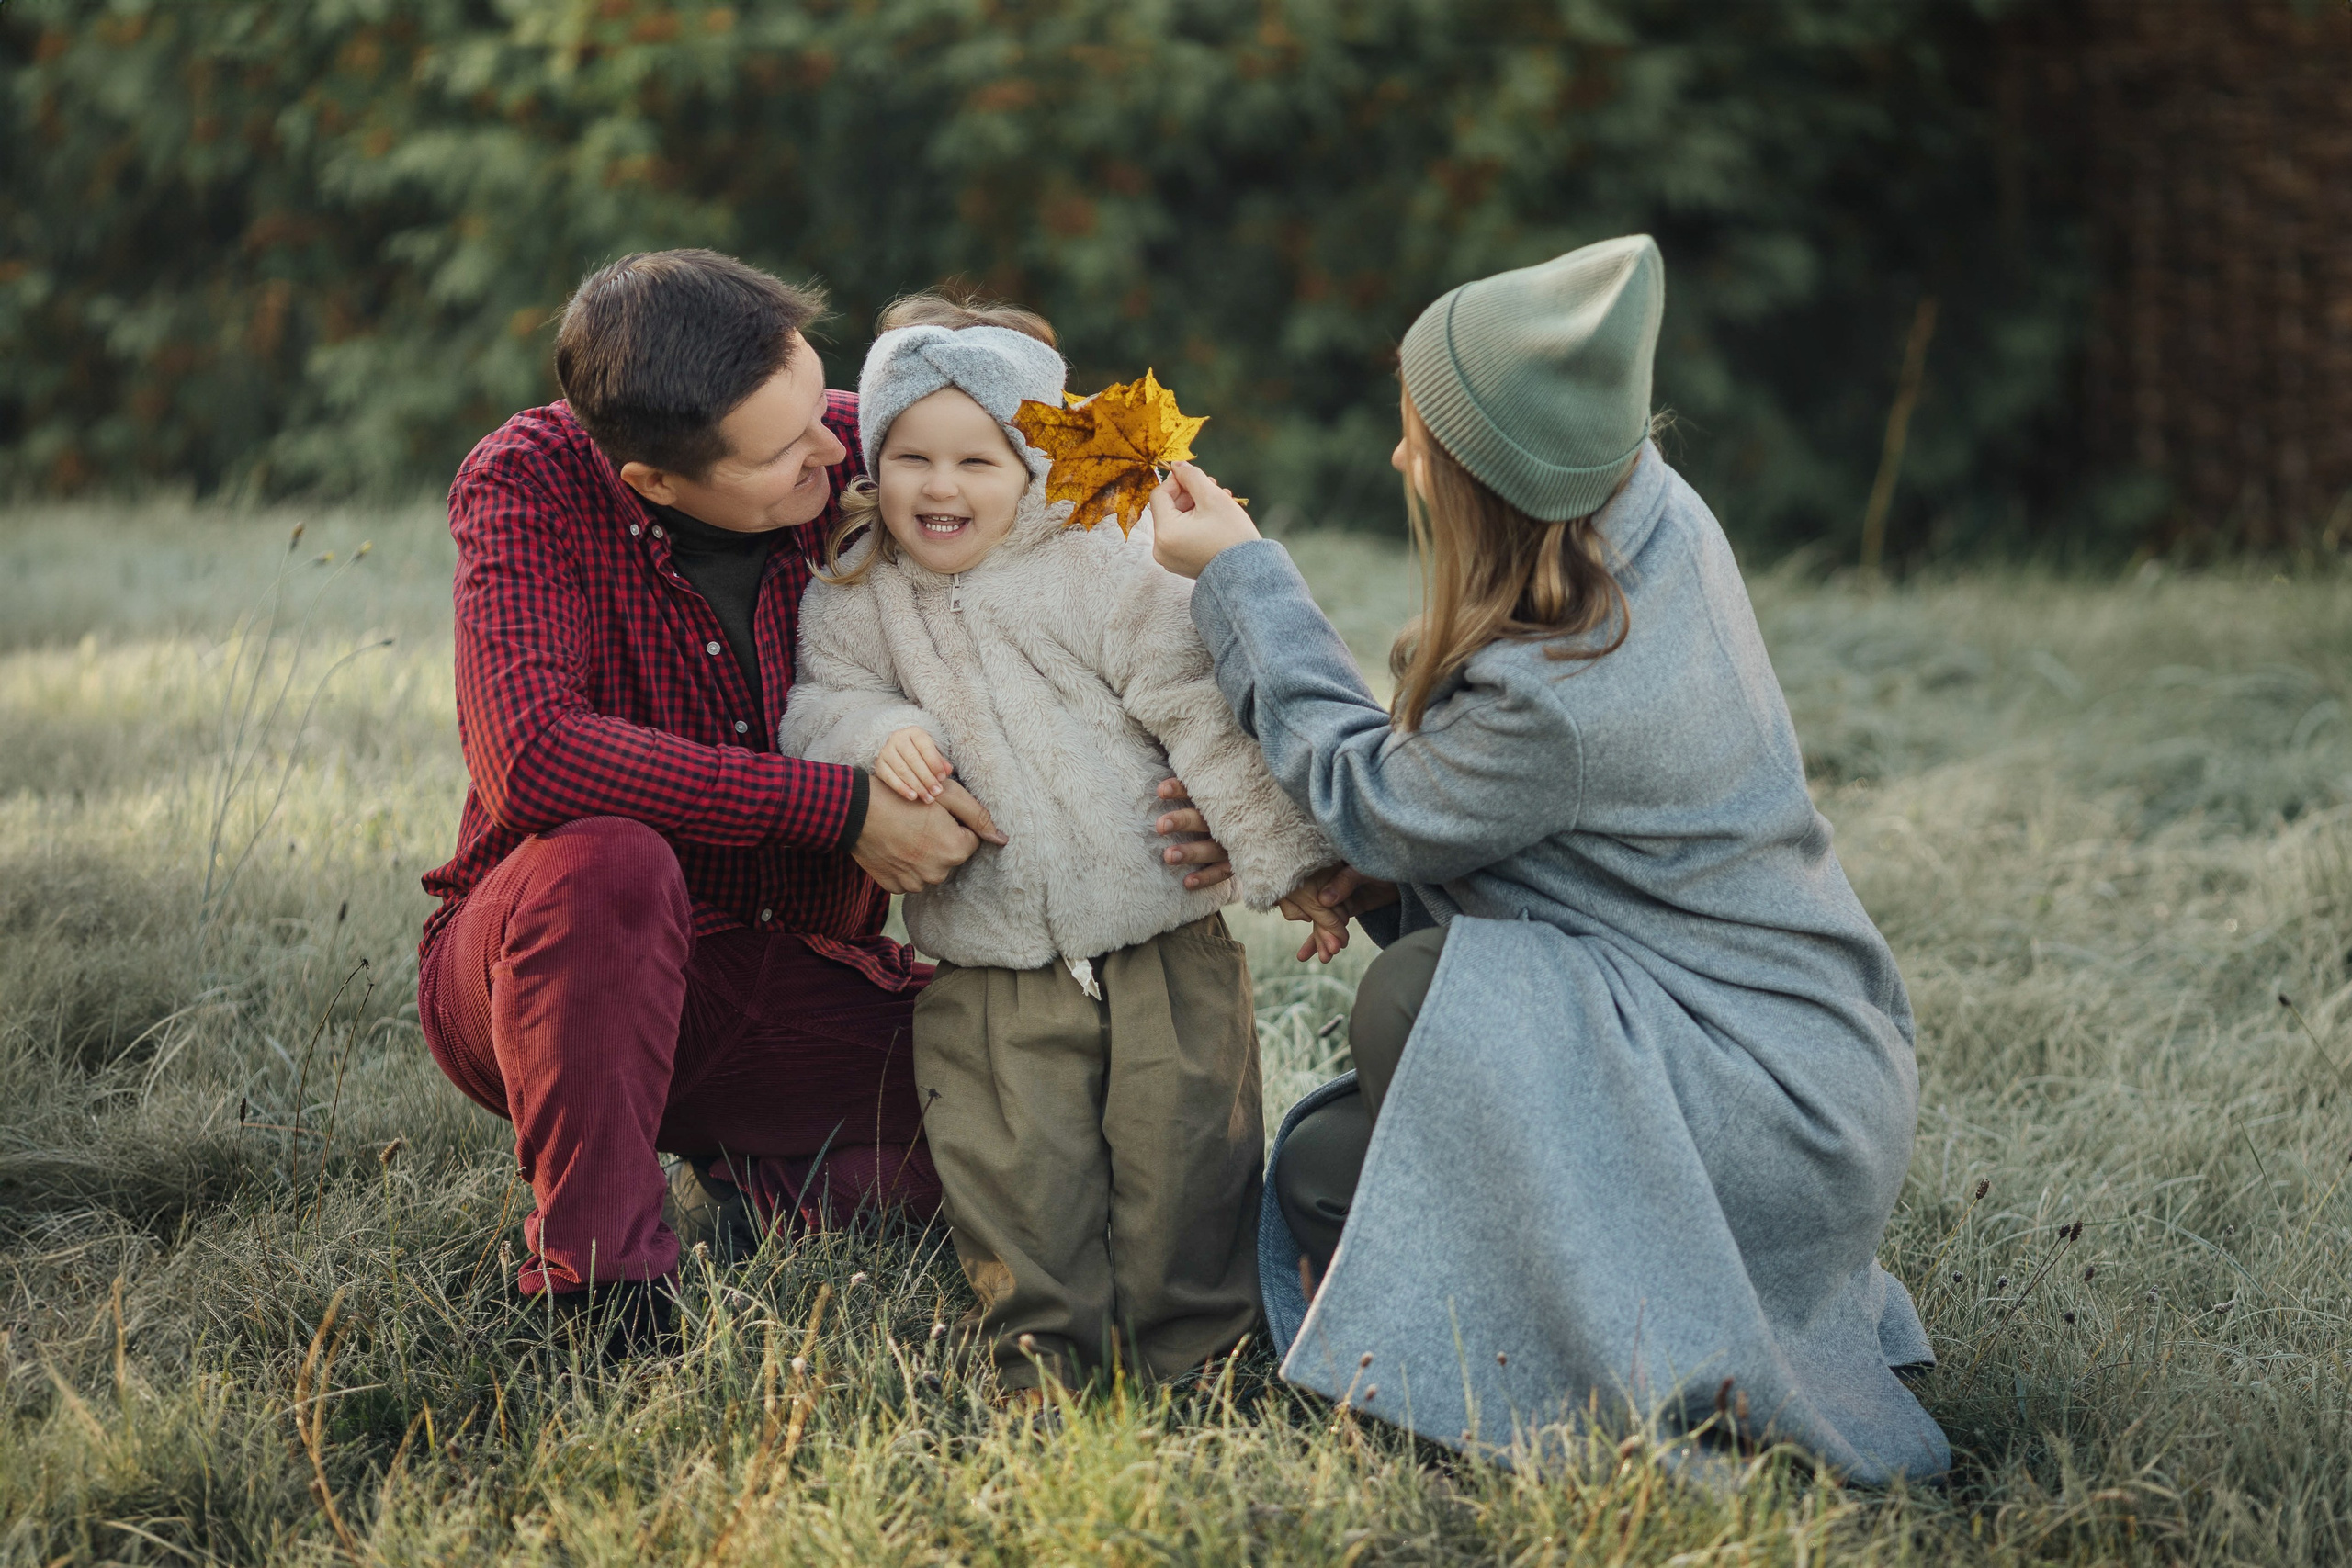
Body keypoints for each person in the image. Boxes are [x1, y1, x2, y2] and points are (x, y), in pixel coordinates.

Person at [1144, 235, 1951, 1483]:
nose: (1399, 457)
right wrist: (1372, 871)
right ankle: (1486, 1315)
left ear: (1493, 484)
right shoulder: (1648, 514)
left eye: (1421, 440)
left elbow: (1379, 804)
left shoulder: (1570, 682)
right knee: (1319, 1173)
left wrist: (1249, 579)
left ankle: (1587, 1358)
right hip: (1780, 1056)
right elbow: (1496, 836)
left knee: (1414, 997)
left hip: (1766, 1110)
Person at [415, 252, 1236, 1351]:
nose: (833, 446)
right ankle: (602, 1290)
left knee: (1037, 1138)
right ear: (654, 480)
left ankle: (771, 1173)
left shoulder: (883, 440)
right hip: (549, 978)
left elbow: (1106, 512)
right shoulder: (529, 481)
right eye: (785, 449)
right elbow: (533, 756)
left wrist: (1200, 774)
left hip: (794, 974)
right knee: (603, 864)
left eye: (820, 403)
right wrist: (838, 808)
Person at [779, 295, 1344, 1394]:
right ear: (872, 459)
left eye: (976, 461)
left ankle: (1200, 1364)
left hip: (1158, 934)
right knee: (1014, 1177)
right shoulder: (860, 587)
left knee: (1185, 1158)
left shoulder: (1101, 562)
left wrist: (1291, 863)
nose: (939, 488)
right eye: (909, 457)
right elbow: (821, 701)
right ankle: (1046, 1371)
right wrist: (881, 733)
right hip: (986, 961)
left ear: (1033, 463)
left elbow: (1204, 716)